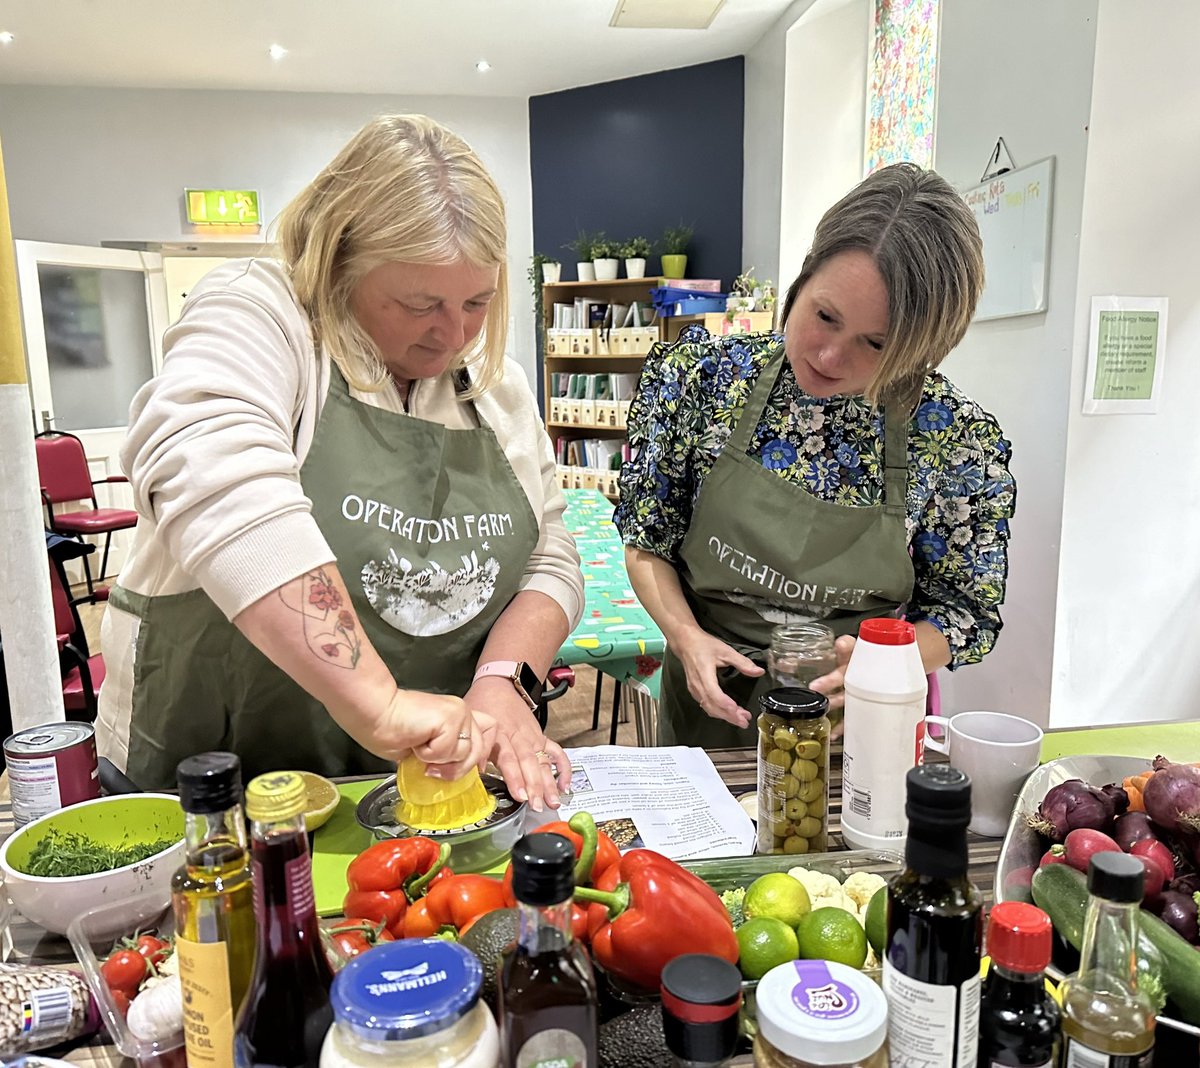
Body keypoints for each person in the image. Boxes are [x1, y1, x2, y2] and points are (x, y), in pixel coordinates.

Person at [95, 115, 583, 809]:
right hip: (216, 789)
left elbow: (549, 553)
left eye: (478, 301)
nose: (454, 333)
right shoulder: (263, 315)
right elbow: (207, 465)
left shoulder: (495, 385)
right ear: (339, 262)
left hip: (408, 787)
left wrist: (501, 681)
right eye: (420, 304)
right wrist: (377, 703)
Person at [615, 163, 1016, 747]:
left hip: (856, 727)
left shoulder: (955, 440)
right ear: (804, 279)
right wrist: (683, 634)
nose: (829, 355)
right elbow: (648, 540)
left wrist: (884, 664)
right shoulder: (701, 380)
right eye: (824, 315)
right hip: (711, 710)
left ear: (924, 349)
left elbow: (963, 612)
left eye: (875, 343)